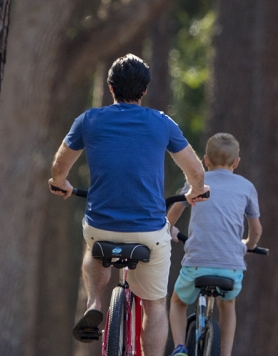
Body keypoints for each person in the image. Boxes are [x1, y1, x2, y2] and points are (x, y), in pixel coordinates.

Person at [49, 54, 210, 354]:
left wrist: (62, 184)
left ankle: (95, 302)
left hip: (102, 227)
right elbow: (196, 173)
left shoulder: (88, 120)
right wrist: (195, 192)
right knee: (155, 307)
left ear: (111, 88)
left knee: (92, 245)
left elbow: (59, 167)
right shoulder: (162, 123)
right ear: (145, 90)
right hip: (149, 233)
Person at [165, 133, 262, 356]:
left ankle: (180, 347)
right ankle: (226, 353)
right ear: (237, 162)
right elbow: (256, 230)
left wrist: (168, 228)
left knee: (178, 302)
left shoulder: (196, 183)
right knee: (227, 305)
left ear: (205, 160)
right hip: (231, 266)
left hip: (196, 264)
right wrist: (248, 245)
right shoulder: (246, 187)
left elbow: (174, 214)